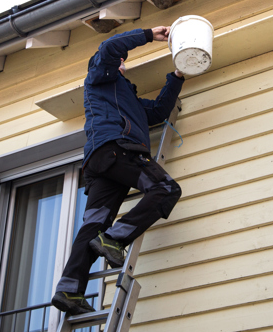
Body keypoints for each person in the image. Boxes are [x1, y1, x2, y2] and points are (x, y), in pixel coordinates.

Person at [51, 26, 185, 315]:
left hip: (103, 164)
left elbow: (159, 112)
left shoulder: (128, 100)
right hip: (116, 149)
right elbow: (110, 48)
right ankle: (114, 238)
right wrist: (150, 34)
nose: (121, 63)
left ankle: (68, 291)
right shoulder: (100, 77)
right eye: (119, 62)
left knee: (93, 224)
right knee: (166, 189)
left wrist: (177, 76)